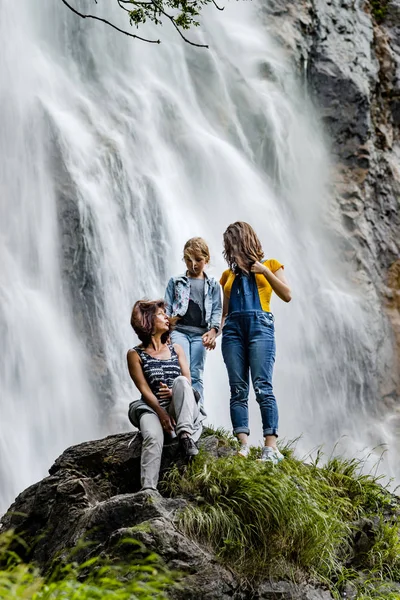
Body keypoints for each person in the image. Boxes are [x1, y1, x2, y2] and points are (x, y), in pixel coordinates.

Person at [219, 221, 292, 463]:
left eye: (234, 245)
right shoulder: (227, 276)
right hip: (232, 332)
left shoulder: (271, 265)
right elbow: (225, 313)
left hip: (261, 328)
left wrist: (266, 272)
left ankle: (271, 448)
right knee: (238, 389)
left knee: (262, 386)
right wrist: (213, 332)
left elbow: (287, 295)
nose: (232, 252)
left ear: (246, 242)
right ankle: (243, 445)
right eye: (229, 248)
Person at [127, 299, 205, 492]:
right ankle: (148, 490)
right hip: (152, 408)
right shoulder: (135, 354)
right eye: (161, 315)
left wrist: (172, 393)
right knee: (152, 437)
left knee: (180, 382)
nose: (166, 318)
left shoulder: (175, 349)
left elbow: (187, 381)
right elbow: (144, 390)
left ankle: (185, 435)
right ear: (148, 321)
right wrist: (161, 414)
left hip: (179, 405)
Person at [164, 237, 222, 407]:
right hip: (179, 331)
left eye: (198, 260)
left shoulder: (213, 285)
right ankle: (181, 410)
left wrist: (213, 331)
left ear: (207, 259)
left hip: (200, 334)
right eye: (188, 260)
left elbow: (217, 309)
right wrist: (166, 332)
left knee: (196, 373)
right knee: (182, 370)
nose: (193, 264)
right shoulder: (176, 282)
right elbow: (166, 308)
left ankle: (198, 412)